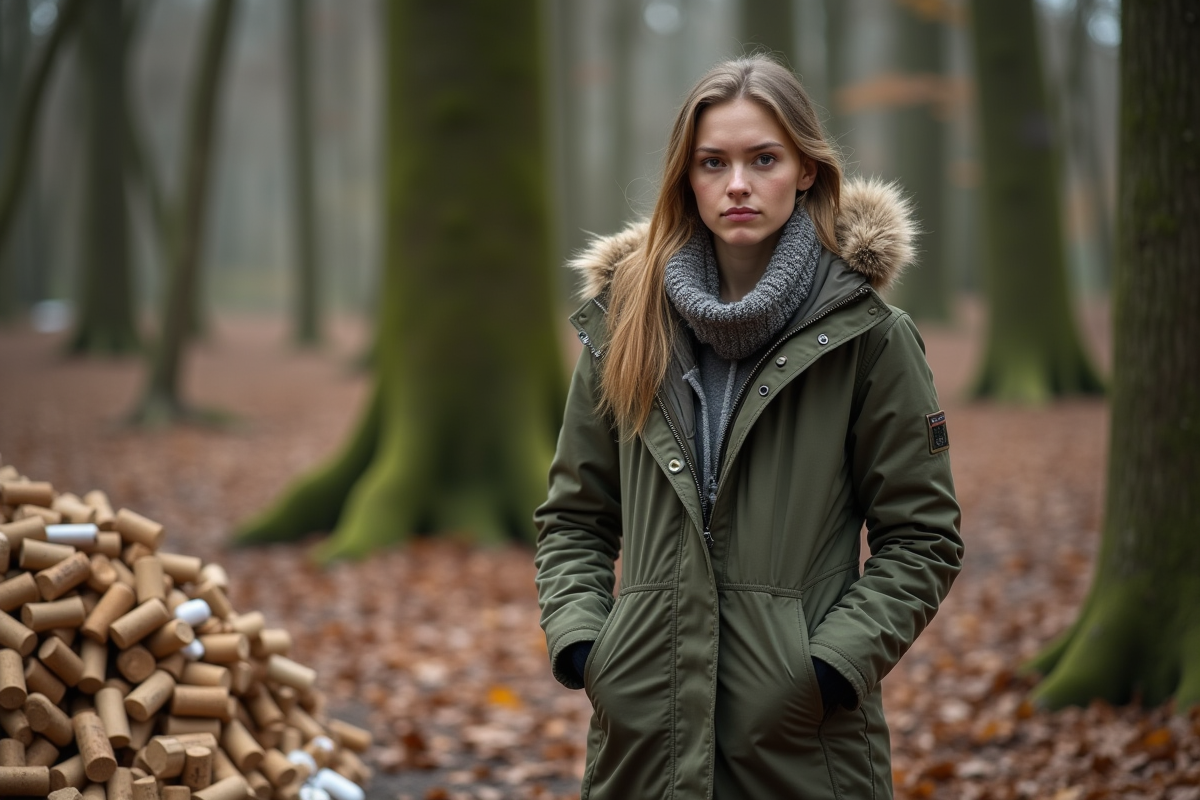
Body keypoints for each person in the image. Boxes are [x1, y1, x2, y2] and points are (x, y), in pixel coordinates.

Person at [534, 55, 962, 800]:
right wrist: (586, 647)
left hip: (800, 750)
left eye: (763, 158)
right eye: (713, 162)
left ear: (803, 169)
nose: (737, 184)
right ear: (686, 178)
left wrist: (826, 669)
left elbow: (924, 537)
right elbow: (573, 518)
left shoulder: (869, 337)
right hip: (644, 748)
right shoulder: (623, 329)